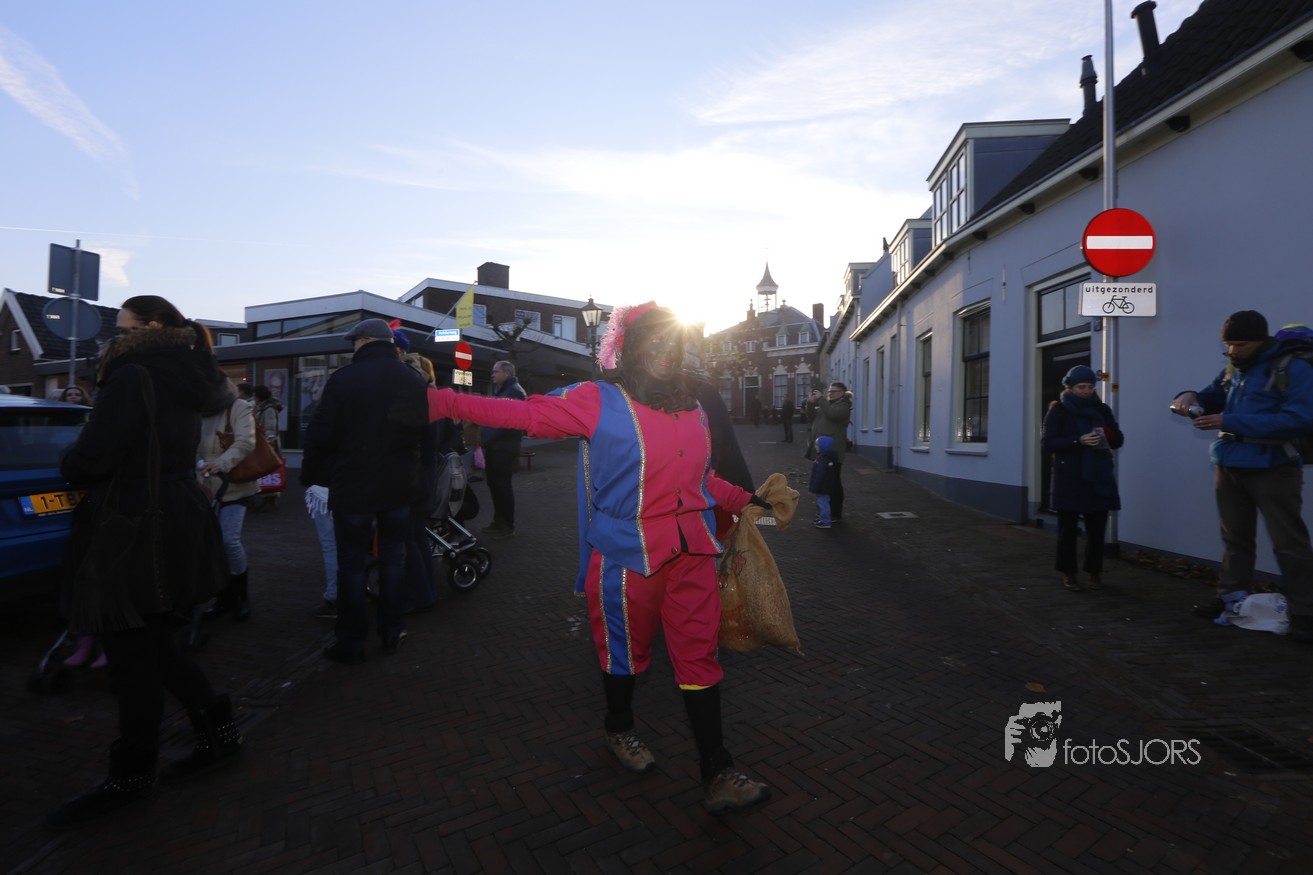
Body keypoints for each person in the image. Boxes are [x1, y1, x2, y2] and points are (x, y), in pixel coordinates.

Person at [431, 302, 782, 814]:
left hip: (692, 555)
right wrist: (440, 401)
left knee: (699, 659)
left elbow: (702, 480)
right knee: (625, 655)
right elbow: (523, 414)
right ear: (631, 348)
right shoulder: (597, 400)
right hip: (626, 558)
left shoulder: (694, 407)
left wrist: (748, 502)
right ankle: (618, 727)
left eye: (672, 341)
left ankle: (717, 770)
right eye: (653, 341)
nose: (665, 351)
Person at [48, 295, 239, 828]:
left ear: (150, 327)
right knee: (155, 645)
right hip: (173, 515)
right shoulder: (186, 372)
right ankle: (221, 735)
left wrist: (69, 459)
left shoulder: (132, 374)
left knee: (131, 654)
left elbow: (93, 457)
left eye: (122, 326)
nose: (115, 335)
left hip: (133, 524)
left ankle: (130, 777)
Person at [1170, 310, 1313, 641]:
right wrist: (1189, 396)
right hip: (1229, 464)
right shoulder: (1234, 367)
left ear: (1262, 341)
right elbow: (1211, 397)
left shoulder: (1293, 367)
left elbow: (1300, 419)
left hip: (1274, 466)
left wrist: (1228, 421)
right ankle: (1231, 599)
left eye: (1241, 345)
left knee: (1289, 543)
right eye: (1228, 345)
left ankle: (1306, 612)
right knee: (1235, 539)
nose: (1233, 351)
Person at [303, 318, 427, 664]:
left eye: (354, 342)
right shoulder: (412, 378)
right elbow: (421, 431)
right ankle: (392, 628)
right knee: (393, 558)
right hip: (399, 484)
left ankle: (352, 640)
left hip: (354, 483)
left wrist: (317, 475)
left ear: (364, 341)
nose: (352, 347)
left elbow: (322, 434)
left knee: (352, 564)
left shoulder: (345, 378)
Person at [1041, 365, 1124, 592]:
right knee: (1067, 530)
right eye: (1081, 387)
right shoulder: (1059, 410)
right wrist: (1078, 441)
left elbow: (1118, 440)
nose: (1086, 391)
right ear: (1070, 388)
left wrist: (1106, 434)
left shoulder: (1102, 409)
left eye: (1090, 387)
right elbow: (1048, 443)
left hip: (1099, 475)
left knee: (1097, 529)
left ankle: (1094, 572)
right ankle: (1068, 573)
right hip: (1069, 477)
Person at [197, 386, 261, 621]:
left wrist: (222, 463)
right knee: (213, 545)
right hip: (204, 486)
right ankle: (223, 596)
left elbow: (245, 441)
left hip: (234, 485)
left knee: (228, 540)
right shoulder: (197, 410)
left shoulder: (238, 407)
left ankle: (241, 596)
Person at [480, 360, 527, 538]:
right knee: (495, 485)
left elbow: (507, 422)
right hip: (497, 446)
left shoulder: (514, 392)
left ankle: (506, 525)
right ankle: (498, 521)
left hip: (503, 448)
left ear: (507, 373)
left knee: (502, 486)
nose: (493, 375)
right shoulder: (503, 391)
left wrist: (487, 437)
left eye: (496, 371)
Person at [807, 382, 853, 522]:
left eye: (834, 391)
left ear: (842, 393)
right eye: (829, 391)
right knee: (824, 482)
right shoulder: (826, 405)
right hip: (822, 451)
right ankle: (825, 512)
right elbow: (811, 417)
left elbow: (833, 415)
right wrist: (810, 403)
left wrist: (821, 399)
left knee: (833, 483)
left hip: (833, 451)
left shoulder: (844, 406)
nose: (830, 393)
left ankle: (835, 513)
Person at [810, 435, 839, 529]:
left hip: (822, 487)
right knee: (822, 503)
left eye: (817, 445)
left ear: (823, 447)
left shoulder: (823, 460)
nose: (815, 447)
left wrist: (814, 486)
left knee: (823, 504)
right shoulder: (824, 457)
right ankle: (823, 519)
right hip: (824, 486)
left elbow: (819, 475)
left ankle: (825, 522)